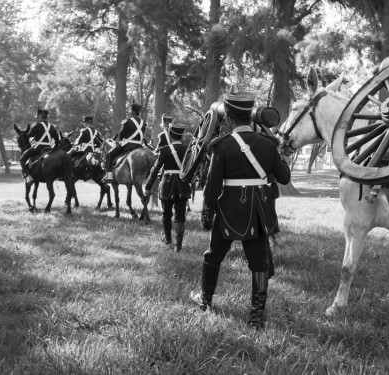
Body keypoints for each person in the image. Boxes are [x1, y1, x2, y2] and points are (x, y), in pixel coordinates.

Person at [190, 92, 291, 330]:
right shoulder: (268, 144)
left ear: (229, 118)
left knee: (213, 256)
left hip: (228, 211)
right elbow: (284, 176)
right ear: (250, 115)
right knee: (259, 263)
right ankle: (257, 316)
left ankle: (205, 300)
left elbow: (213, 186)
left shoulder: (222, 145)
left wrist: (207, 214)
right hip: (258, 211)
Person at [143, 118, 191, 252]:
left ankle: (168, 239)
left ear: (170, 134)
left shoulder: (164, 150)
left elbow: (155, 169)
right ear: (181, 135)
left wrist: (147, 186)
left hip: (167, 185)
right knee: (180, 216)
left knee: (166, 214)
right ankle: (178, 245)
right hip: (182, 184)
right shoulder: (187, 150)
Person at [103, 102, 148, 182]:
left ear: (132, 112)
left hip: (127, 145)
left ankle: (109, 176)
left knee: (109, 154)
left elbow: (121, 136)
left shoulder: (127, 121)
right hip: (139, 146)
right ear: (139, 111)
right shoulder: (144, 123)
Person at [20, 107, 61, 183]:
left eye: (37, 117)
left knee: (22, 159)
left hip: (37, 148)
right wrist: (54, 149)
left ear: (40, 117)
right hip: (49, 149)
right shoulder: (52, 127)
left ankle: (28, 177)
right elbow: (57, 141)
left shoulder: (37, 125)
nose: (37, 119)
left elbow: (29, 136)